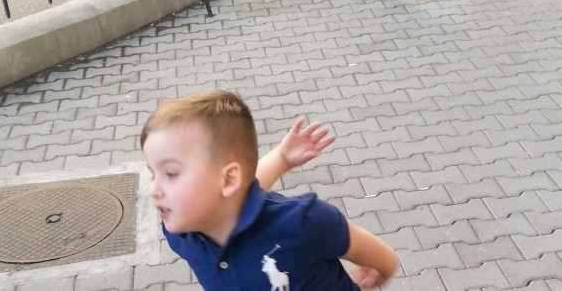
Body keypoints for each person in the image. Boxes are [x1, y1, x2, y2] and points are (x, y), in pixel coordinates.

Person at [140, 90, 399, 290]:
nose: (154, 190)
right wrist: (280, 159)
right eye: (153, 173)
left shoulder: (303, 223)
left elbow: (378, 255)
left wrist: (381, 269)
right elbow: (235, 195)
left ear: (228, 179)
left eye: (170, 173)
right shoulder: (181, 233)